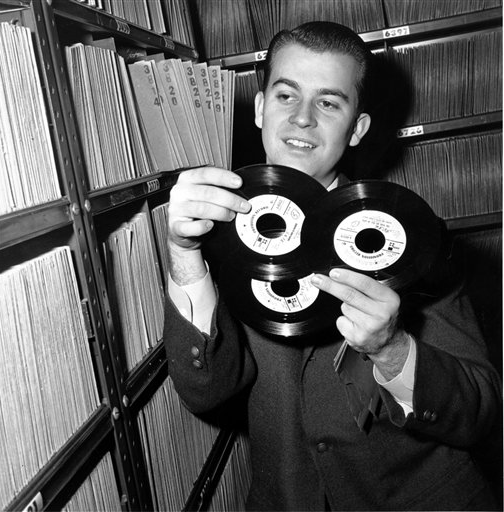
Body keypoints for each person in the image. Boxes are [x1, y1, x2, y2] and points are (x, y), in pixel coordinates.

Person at [163, 21, 501, 511]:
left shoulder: (407, 235)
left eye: (327, 102)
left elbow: (481, 409)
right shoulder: (212, 229)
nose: (301, 118)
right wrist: (183, 253)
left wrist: (393, 350)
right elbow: (206, 392)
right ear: (259, 109)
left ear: (357, 128)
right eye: (285, 96)